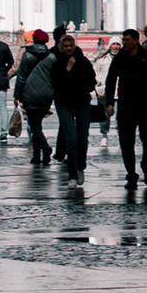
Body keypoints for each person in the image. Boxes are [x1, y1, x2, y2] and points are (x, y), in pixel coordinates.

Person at [99, 25, 147, 192]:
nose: (124, 43)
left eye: (127, 40)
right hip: (125, 104)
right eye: (123, 40)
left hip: (145, 103)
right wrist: (109, 102)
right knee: (126, 141)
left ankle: (146, 165)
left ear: (136, 40)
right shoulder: (120, 58)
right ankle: (131, 175)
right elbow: (111, 79)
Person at [50, 26, 97, 180]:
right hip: (64, 102)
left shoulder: (83, 61)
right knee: (71, 138)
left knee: (83, 138)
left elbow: (92, 80)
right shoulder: (56, 63)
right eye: (65, 46)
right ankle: (71, 174)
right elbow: (56, 83)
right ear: (61, 47)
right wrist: (68, 70)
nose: (69, 48)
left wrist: (84, 87)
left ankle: (80, 166)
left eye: (71, 45)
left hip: (82, 101)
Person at [15, 30, 58, 167]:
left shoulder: (27, 55)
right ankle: (36, 155)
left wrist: (17, 95)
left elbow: (21, 77)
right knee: (37, 123)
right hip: (46, 94)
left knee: (34, 125)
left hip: (30, 93)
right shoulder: (51, 57)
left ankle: (44, 148)